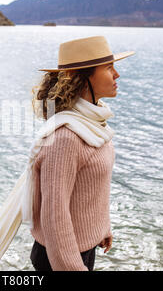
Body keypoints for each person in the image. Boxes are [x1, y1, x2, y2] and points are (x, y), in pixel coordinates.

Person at [29, 36, 135, 271]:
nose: (117, 75)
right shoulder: (65, 139)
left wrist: (101, 227)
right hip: (60, 259)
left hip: (82, 249)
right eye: (109, 68)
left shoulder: (93, 123)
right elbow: (54, 217)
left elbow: (92, 187)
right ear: (83, 78)